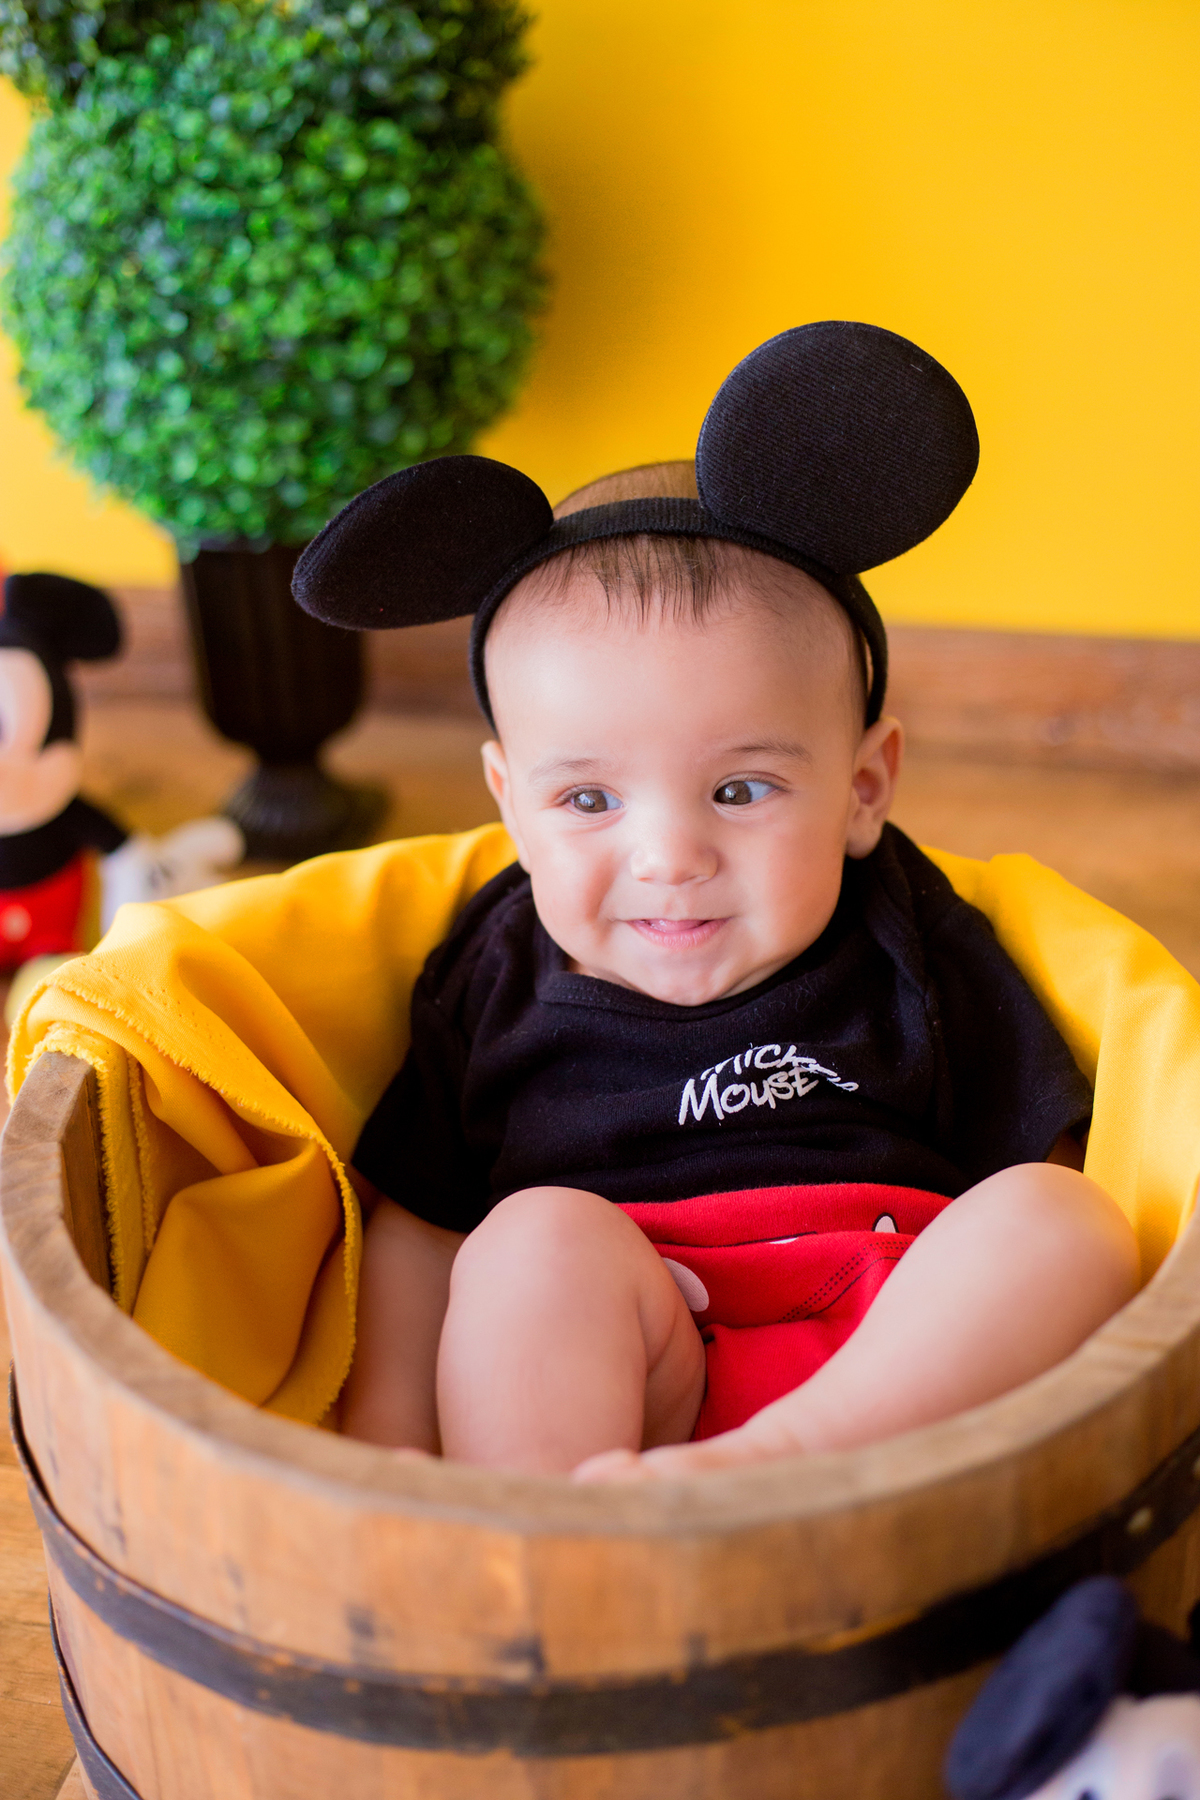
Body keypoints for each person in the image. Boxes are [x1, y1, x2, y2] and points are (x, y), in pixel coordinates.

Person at [292, 324, 1139, 1480]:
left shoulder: (911, 926)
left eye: (740, 789)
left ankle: (786, 1462)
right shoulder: (492, 967)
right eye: (587, 797)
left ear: (863, 787)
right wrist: (386, 1447)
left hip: (889, 1364)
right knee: (526, 1240)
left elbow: (1050, 1154)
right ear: (511, 802)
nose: (669, 855)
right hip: (617, 1376)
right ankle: (547, 1533)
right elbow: (422, 1231)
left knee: (1065, 1219)